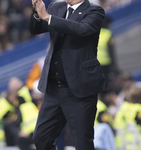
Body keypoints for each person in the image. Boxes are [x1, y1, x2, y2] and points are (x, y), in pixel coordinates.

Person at [29, 0, 109, 149]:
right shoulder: (55, 7)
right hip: (54, 88)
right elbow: (36, 29)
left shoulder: (94, 11)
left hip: (79, 89)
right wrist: (36, 13)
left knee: (82, 143)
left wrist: (48, 17)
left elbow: (81, 29)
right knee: (41, 138)